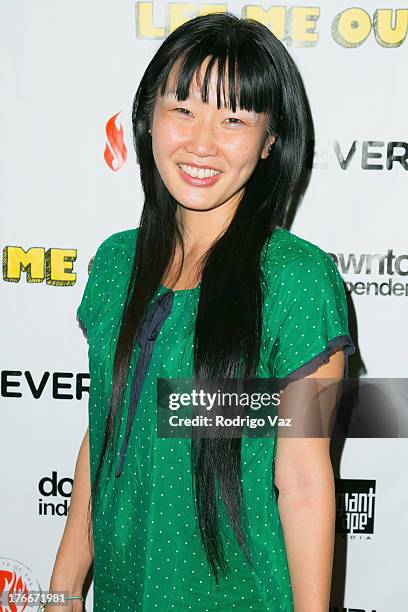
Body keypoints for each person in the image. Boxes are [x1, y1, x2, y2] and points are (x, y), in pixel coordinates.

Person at [46, 12, 355, 612]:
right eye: (183, 110)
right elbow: (104, 433)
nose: (202, 143)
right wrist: (59, 592)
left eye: (234, 119)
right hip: (121, 594)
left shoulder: (298, 280)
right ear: (149, 118)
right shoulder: (115, 264)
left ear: (270, 140)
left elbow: (303, 479)